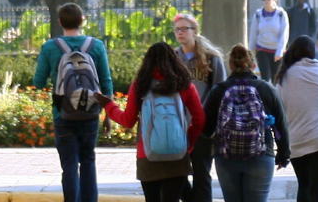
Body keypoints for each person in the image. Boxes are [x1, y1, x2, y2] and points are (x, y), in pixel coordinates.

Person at [98, 43, 206, 202]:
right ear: (175, 60)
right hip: (177, 154)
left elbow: (128, 120)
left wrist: (109, 105)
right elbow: (200, 120)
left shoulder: (140, 85)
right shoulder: (184, 84)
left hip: (147, 155)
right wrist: (187, 142)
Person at [33, 3, 113, 202]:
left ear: (60, 22)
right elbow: (106, 80)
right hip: (91, 112)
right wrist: (109, 112)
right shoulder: (96, 46)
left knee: (69, 164)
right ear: (82, 20)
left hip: (63, 113)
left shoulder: (50, 47)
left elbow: (38, 82)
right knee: (88, 160)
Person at [201, 45, 291, 202]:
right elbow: (282, 125)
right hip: (261, 156)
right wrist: (283, 155)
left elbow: (206, 130)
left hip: (226, 158)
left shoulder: (218, 91)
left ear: (230, 65)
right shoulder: (267, 89)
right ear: (253, 66)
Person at [274, 36, 318, 202]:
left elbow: (278, 112)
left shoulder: (283, 77)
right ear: (313, 53)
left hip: (295, 142)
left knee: (303, 185)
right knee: (317, 190)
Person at [173, 13, 227, 202]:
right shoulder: (172, 58)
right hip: (176, 126)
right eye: (177, 29)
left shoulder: (211, 59)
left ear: (195, 31)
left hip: (202, 127)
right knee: (175, 174)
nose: (180, 33)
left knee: (201, 174)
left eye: (184, 29)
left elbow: (220, 91)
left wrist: (210, 121)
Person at [248, 0, 290, 82]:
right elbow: (253, 35)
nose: (266, 1)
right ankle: (265, 96)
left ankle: (276, 96)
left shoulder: (281, 14)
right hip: (262, 49)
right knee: (265, 79)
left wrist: (279, 51)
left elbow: (284, 33)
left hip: (277, 52)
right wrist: (250, 54)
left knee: (277, 80)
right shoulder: (258, 15)